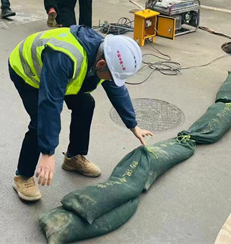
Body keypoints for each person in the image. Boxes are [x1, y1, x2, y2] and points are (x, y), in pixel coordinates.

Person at [9, 27, 153, 201]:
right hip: (28, 72)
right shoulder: (65, 57)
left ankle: (73, 157)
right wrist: (48, 153)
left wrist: (133, 125)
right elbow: (50, 103)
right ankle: (22, 176)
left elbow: (116, 89)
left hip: (58, 73)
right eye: (111, 76)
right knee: (40, 118)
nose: (111, 81)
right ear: (101, 64)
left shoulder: (105, 55)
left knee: (85, 104)